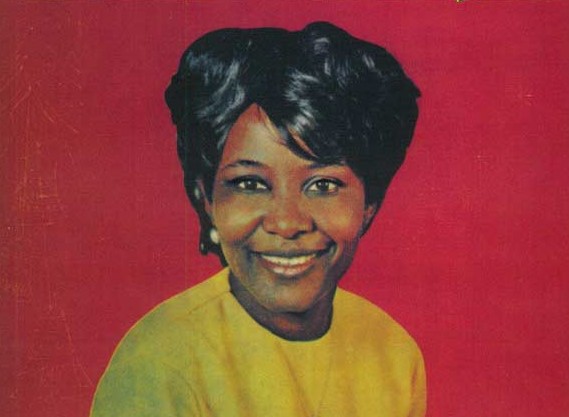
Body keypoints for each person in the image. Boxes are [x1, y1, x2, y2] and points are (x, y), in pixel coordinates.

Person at [91, 21, 425, 417]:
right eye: (250, 183)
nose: (287, 223)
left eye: (323, 185)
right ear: (207, 200)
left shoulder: (393, 355)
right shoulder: (159, 364)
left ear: (369, 204)